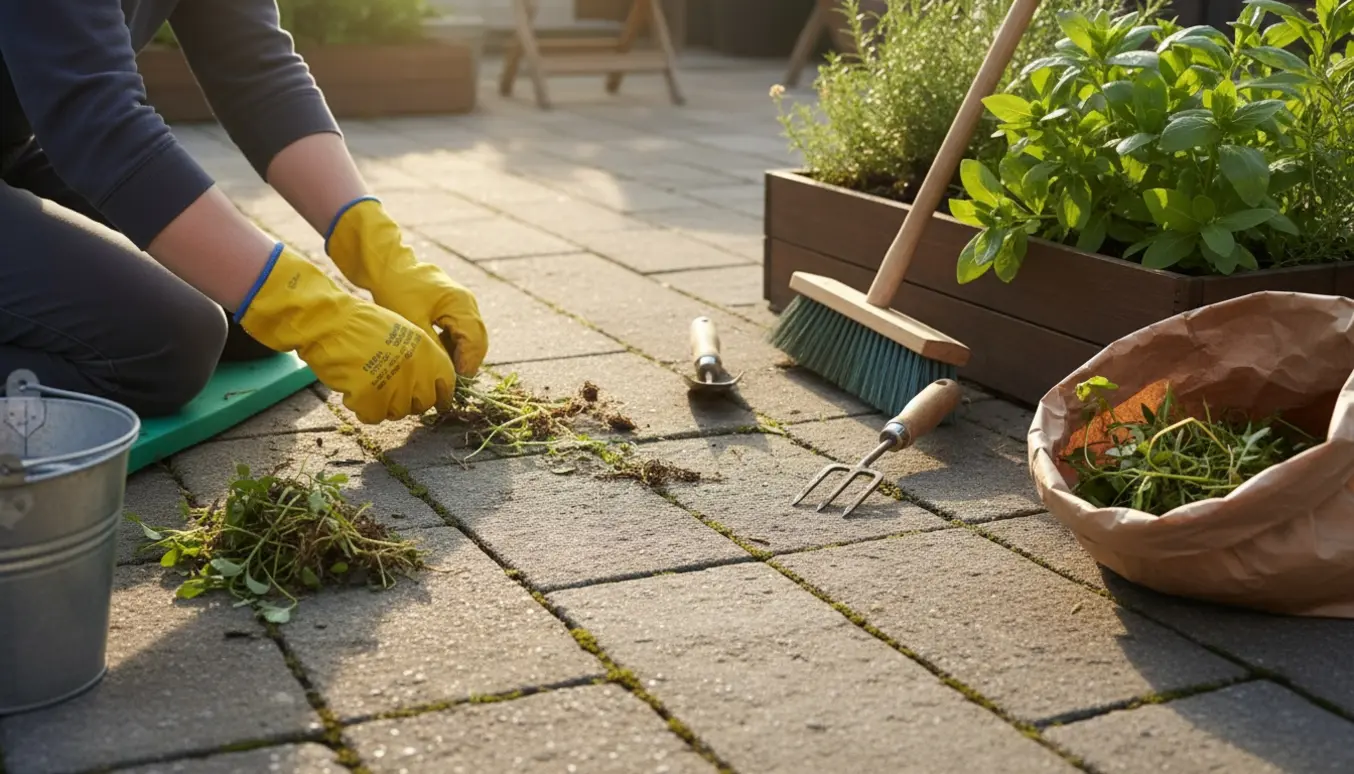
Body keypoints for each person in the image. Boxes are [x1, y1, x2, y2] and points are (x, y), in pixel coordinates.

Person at [0, 0, 488, 425]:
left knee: (246, 317)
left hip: (12, 151)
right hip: (67, 135)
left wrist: (378, 251)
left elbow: (259, 70)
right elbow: (99, 124)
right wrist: (304, 306)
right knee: (168, 348)